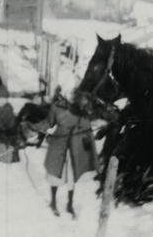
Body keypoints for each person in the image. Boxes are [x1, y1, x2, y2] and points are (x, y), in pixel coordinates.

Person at [44, 85, 99, 217]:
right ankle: (53, 202)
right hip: (59, 148)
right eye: (83, 101)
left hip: (73, 151)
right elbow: (49, 124)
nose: (85, 104)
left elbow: (87, 134)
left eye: (87, 102)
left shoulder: (84, 117)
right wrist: (48, 133)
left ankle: (69, 204)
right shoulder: (60, 109)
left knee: (71, 177)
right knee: (56, 176)